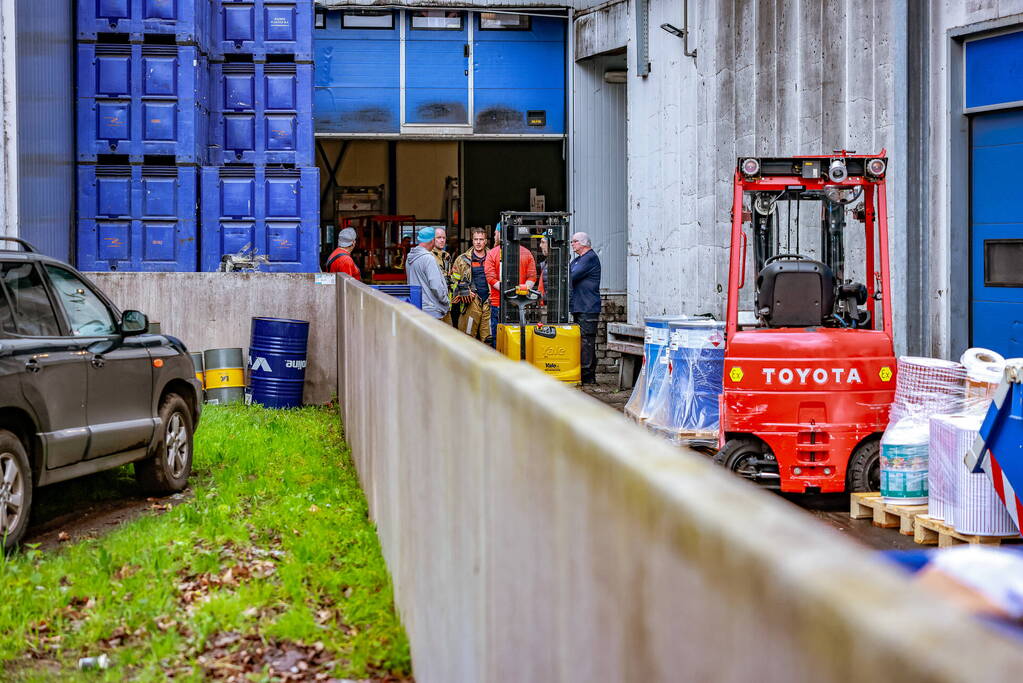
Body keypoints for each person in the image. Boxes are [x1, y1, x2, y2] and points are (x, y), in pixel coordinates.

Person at [484, 221, 536, 347]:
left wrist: (507, 292)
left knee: (499, 339)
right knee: (519, 338)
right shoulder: (526, 252)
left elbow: (491, 278)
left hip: (498, 304)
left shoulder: (492, 253)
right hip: (520, 303)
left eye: (496, 233)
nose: (494, 236)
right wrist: (519, 292)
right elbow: (532, 277)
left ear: (500, 234)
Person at [569, 231, 601, 384]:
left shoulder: (589, 259)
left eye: (574, 241)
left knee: (586, 342)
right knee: (583, 341)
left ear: (582, 243)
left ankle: (588, 377)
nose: (572, 244)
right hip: (580, 306)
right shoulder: (578, 260)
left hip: (587, 307)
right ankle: (586, 374)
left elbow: (570, 276)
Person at [450, 227, 491, 343]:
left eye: (481, 239)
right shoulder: (462, 260)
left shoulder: (494, 257)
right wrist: (463, 290)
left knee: (489, 338)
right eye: (475, 239)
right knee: (467, 337)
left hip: (489, 302)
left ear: (486, 241)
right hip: (471, 303)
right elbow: (452, 281)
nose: (478, 242)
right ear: (472, 241)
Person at [405, 226, 450, 321]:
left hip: (417, 307)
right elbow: (436, 286)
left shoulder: (410, 258)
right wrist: (446, 301)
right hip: (431, 311)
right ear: (432, 240)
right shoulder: (428, 259)